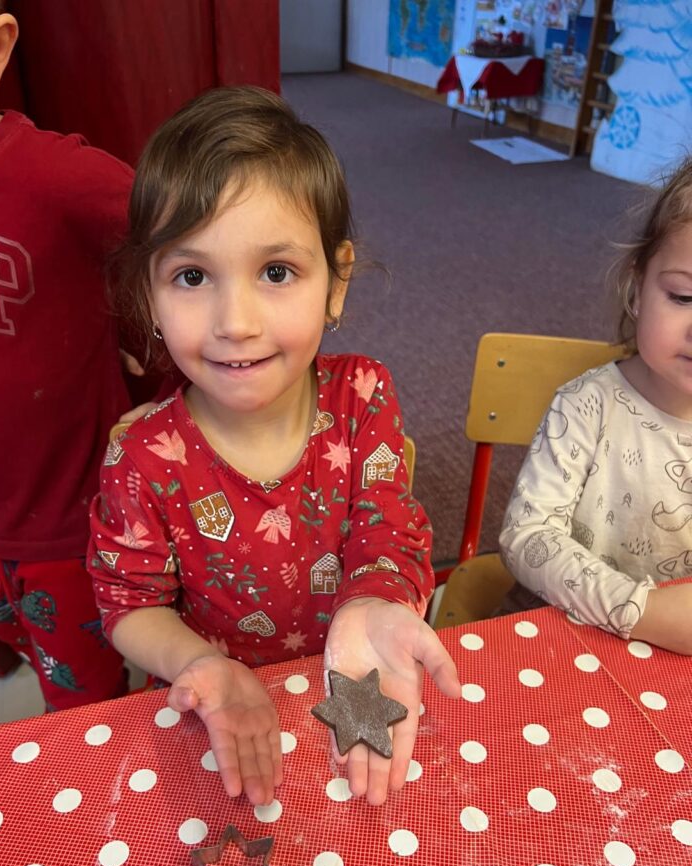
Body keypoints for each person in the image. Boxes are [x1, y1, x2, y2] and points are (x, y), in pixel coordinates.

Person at [89, 85, 461, 807]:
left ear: (336, 281)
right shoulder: (142, 456)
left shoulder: (364, 396)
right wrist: (200, 665)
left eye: (276, 272)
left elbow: (387, 527)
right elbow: (127, 604)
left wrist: (374, 604)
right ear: (150, 297)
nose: (236, 321)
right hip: (221, 715)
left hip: (355, 684)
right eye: (192, 276)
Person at [0, 0, 151, 710]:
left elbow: (190, 242)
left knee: (84, 704)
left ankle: (104, 779)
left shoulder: (55, 177)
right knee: (29, 653)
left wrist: (166, 355)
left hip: (72, 531)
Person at [499, 156, 692, 657]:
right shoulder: (588, 406)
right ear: (637, 288)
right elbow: (526, 536)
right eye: (684, 297)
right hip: (554, 638)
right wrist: (640, 610)